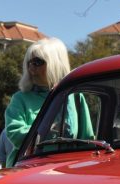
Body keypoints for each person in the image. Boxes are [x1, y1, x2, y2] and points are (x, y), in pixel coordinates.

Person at [4, 37, 71, 167]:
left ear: (55, 64)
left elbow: (88, 137)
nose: (31, 68)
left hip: (68, 169)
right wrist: (48, 130)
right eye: (29, 63)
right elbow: (15, 134)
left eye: (37, 62)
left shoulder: (75, 97)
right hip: (29, 171)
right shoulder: (20, 98)